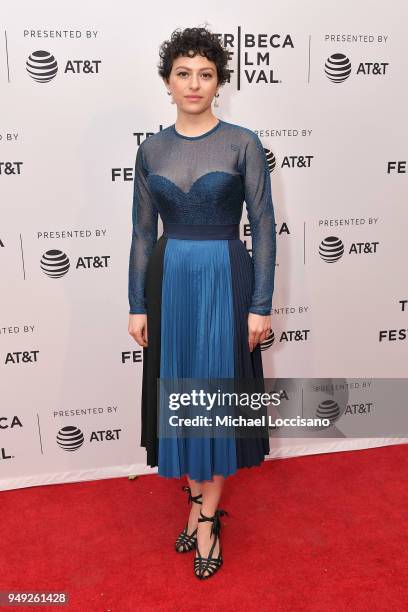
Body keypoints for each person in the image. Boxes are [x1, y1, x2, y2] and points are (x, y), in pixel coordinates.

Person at [128, 26, 277, 579]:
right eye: (183, 73)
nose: (194, 84)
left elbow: (263, 228)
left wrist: (260, 304)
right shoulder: (151, 149)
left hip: (225, 278)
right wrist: (136, 302)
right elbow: (142, 234)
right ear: (168, 82)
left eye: (206, 74)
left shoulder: (243, 142)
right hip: (169, 282)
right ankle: (197, 504)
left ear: (219, 81)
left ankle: (208, 519)